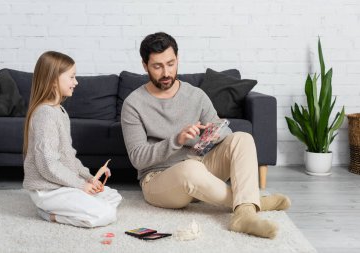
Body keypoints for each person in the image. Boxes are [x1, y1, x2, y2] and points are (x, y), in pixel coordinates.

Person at [121, 32, 290, 239]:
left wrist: (213, 133)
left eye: (171, 63)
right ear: (145, 65)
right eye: (157, 66)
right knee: (190, 168)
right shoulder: (133, 104)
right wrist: (177, 140)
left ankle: (244, 214)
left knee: (242, 138)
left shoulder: (195, 94)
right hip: (159, 179)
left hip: (200, 166)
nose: (166, 72)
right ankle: (253, 201)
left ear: (178, 59)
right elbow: (138, 158)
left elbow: (223, 128)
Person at [23, 51, 122, 228]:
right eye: (72, 77)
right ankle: (50, 214)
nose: (76, 82)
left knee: (113, 196)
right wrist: (79, 185)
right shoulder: (45, 114)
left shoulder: (59, 111)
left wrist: (89, 179)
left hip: (61, 184)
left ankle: (72, 204)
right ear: (54, 80)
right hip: (48, 189)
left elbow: (69, 157)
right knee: (107, 213)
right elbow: (47, 164)